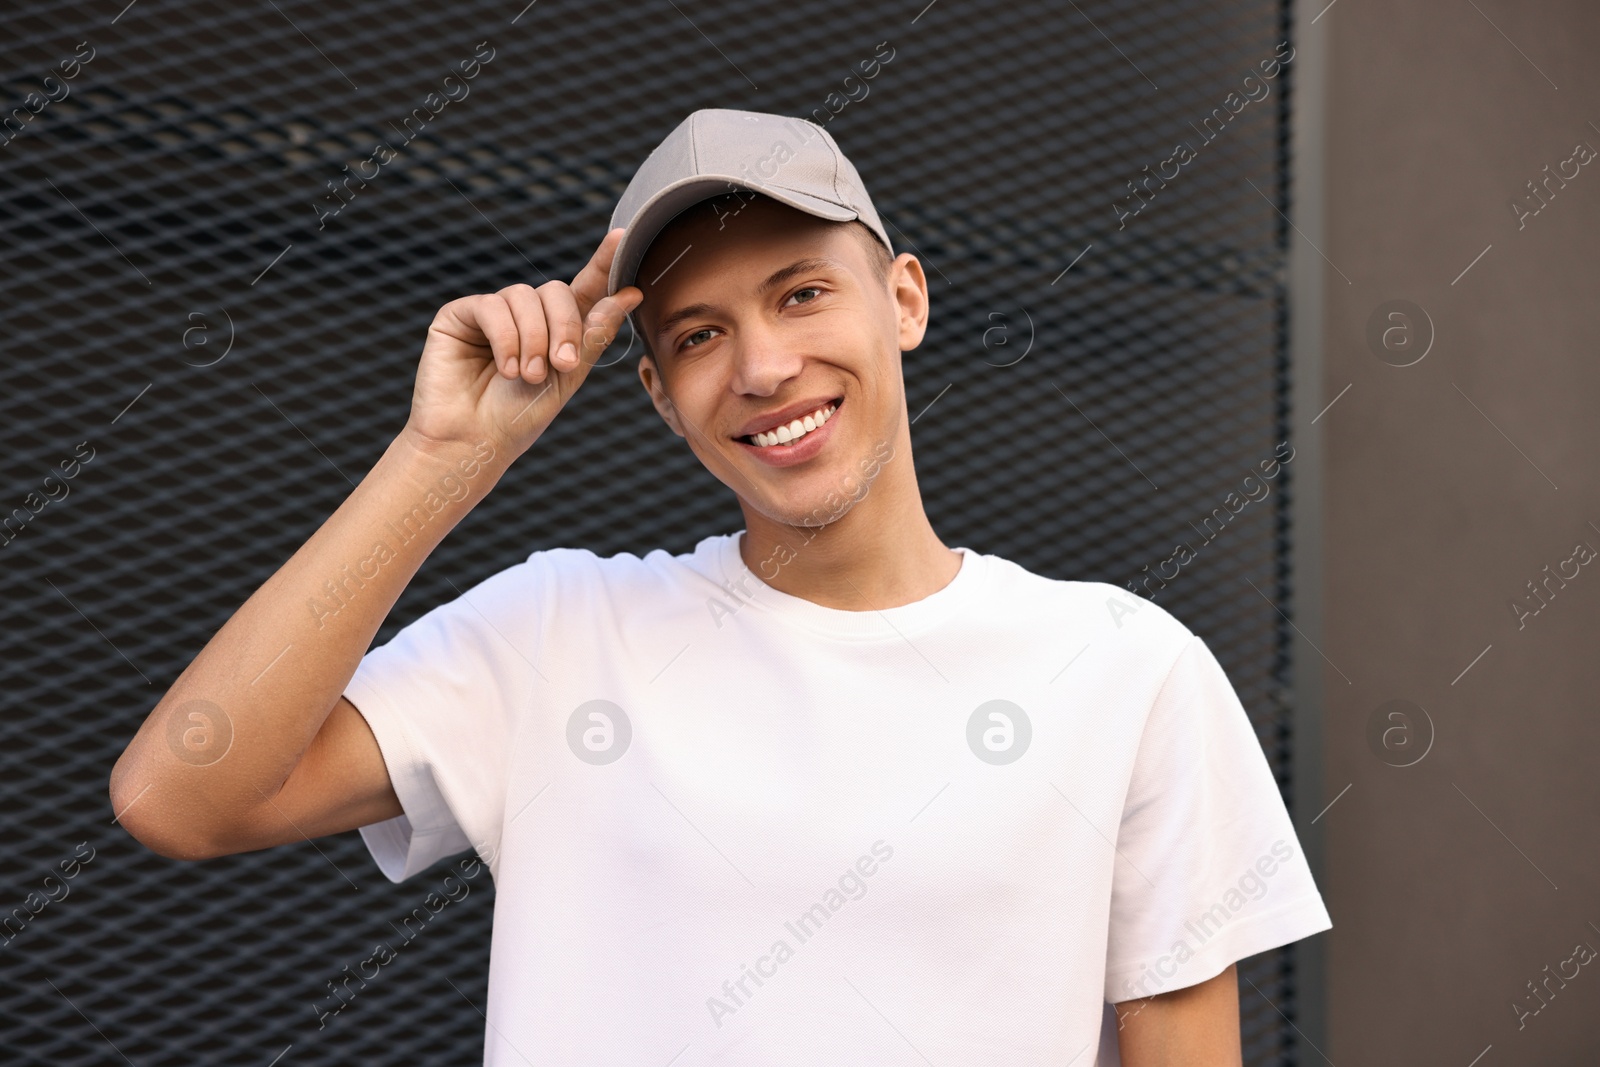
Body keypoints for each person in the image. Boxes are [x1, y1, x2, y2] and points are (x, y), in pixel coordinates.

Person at [110, 107, 1331, 1066]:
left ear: (902, 298)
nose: (761, 365)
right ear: (653, 391)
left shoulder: (1124, 667)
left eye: (802, 292)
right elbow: (180, 796)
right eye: (696, 334)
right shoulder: (557, 631)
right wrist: (447, 457)